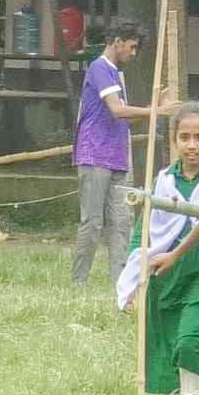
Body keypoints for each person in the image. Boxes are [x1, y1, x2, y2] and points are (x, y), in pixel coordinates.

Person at [115, 102, 199, 395]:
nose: (191, 144)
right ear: (174, 141)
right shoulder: (163, 181)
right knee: (166, 349)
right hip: (164, 278)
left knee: (193, 342)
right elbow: (145, 232)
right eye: (184, 137)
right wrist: (136, 277)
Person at [71, 20, 178, 286]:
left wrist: (151, 107)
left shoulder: (117, 75)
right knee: (93, 222)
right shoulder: (99, 68)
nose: (133, 53)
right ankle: (78, 282)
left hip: (118, 157)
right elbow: (118, 110)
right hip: (94, 155)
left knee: (121, 223)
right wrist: (157, 111)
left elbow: (122, 118)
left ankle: (121, 282)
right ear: (116, 42)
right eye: (131, 47)